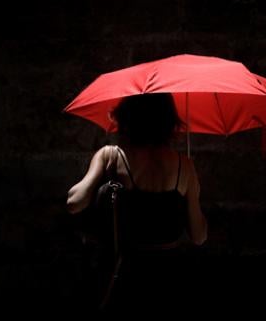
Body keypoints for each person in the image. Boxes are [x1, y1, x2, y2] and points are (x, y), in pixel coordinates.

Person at [66, 92, 207, 310]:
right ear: (168, 122)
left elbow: (74, 203)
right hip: (171, 278)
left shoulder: (111, 156)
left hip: (125, 275)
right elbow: (198, 237)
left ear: (126, 117)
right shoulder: (185, 166)